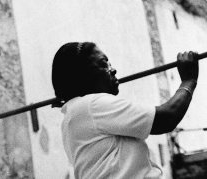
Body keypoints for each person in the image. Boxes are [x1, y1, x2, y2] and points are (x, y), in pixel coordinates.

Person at [52, 42, 199, 179]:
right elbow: (165, 119)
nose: (113, 70)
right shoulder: (91, 105)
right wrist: (189, 81)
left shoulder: (73, 114)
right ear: (82, 76)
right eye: (103, 64)